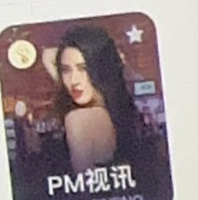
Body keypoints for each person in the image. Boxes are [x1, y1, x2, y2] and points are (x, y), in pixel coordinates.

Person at [52, 23, 142, 176]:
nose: (73, 81)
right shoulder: (123, 115)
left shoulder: (78, 119)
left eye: (83, 68)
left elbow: (84, 185)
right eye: (66, 70)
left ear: (100, 69)